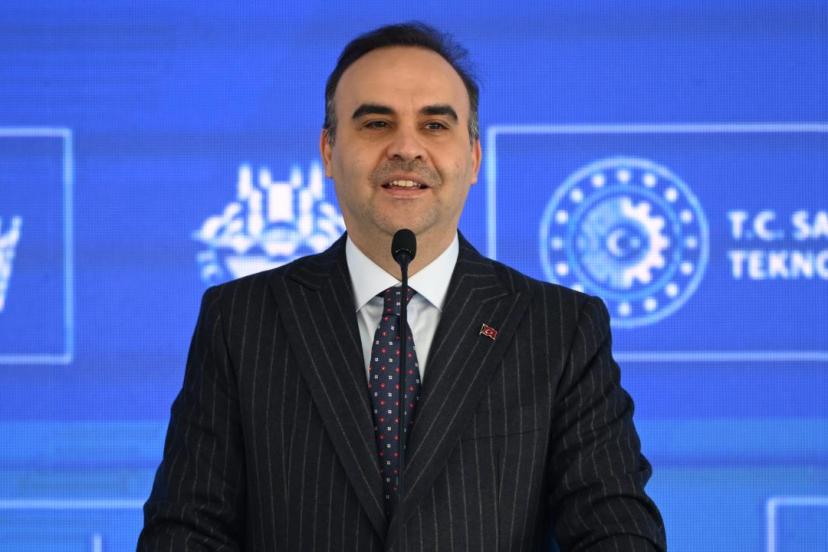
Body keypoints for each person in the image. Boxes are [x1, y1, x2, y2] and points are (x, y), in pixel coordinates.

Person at [139, 22, 666, 551]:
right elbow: (186, 531)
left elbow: (616, 529)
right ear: (328, 151)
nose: (407, 147)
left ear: (474, 158)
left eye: (435, 125)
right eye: (376, 123)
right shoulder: (242, 320)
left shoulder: (559, 329)